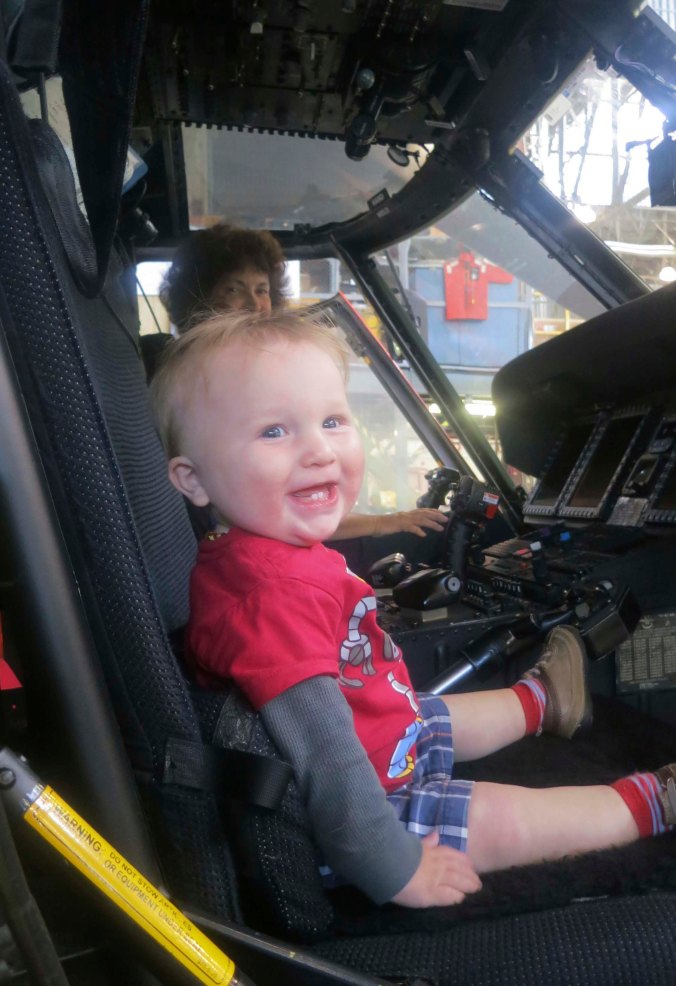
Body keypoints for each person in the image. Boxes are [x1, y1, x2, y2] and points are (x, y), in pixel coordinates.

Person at [150, 308, 676, 909]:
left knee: (425, 713)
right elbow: (326, 758)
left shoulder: (261, 555)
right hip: (364, 808)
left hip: (375, 735)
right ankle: (643, 805)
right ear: (194, 480)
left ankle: (540, 702)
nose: (319, 450)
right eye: (274, 431)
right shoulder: (270, 599)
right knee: (498, 816)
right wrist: (396, 869)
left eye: (332, 421)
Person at [157, 222, 447, 548]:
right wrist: (383, 523)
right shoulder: (201, 386)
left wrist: (384, 523)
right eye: (233, 290)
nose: (253, 303)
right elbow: (277, 509)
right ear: (199, 295)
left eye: (262, 290)